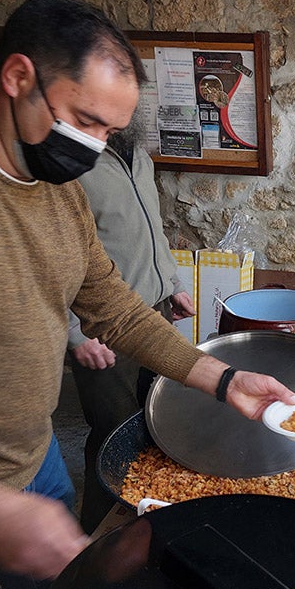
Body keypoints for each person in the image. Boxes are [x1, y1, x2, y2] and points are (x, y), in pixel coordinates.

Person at [0, 0, 294, 589]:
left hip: (31, 456)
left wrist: (223, 378)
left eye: (112, 130)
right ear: (18, 76)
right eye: (86, 120)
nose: (97, 145)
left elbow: (115, 308)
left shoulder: (55, 188)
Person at [70, 130, 196, 533]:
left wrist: (171, 285)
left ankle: (146, 520)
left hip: (151, 314)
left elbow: (151, 229)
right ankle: (98, 535)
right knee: (114, 432)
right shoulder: (71, 163)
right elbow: (53, 259)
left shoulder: (138, 153)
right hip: (103, 326)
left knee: (157, 420)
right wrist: (74, 333)